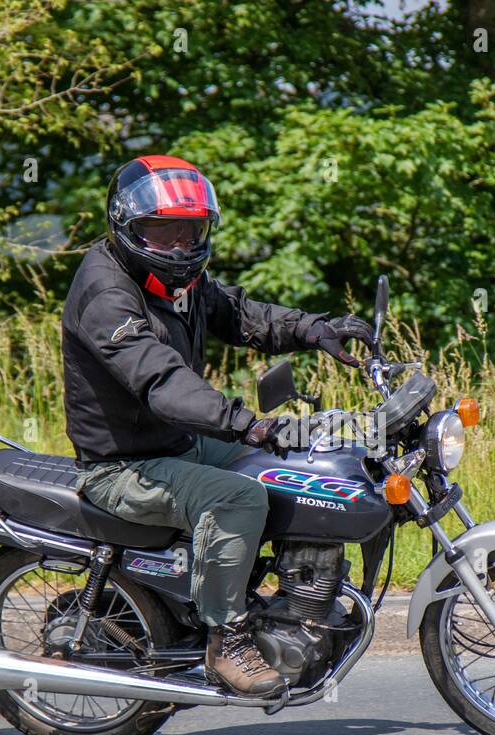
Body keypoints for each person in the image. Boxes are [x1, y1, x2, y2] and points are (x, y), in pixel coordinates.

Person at [61, 154, 373, 697]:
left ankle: (294, 596)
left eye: (191, 230)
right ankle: (226, 641)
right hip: (123, 463)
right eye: (162, 231)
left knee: (303, 461)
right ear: (126, 226)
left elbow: (243, 314)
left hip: (174, 443)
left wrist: (315, 330)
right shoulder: (108, 295)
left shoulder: (175, 279)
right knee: (239, 500)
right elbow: (161, 382)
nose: (180, 245)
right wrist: (245, 424)